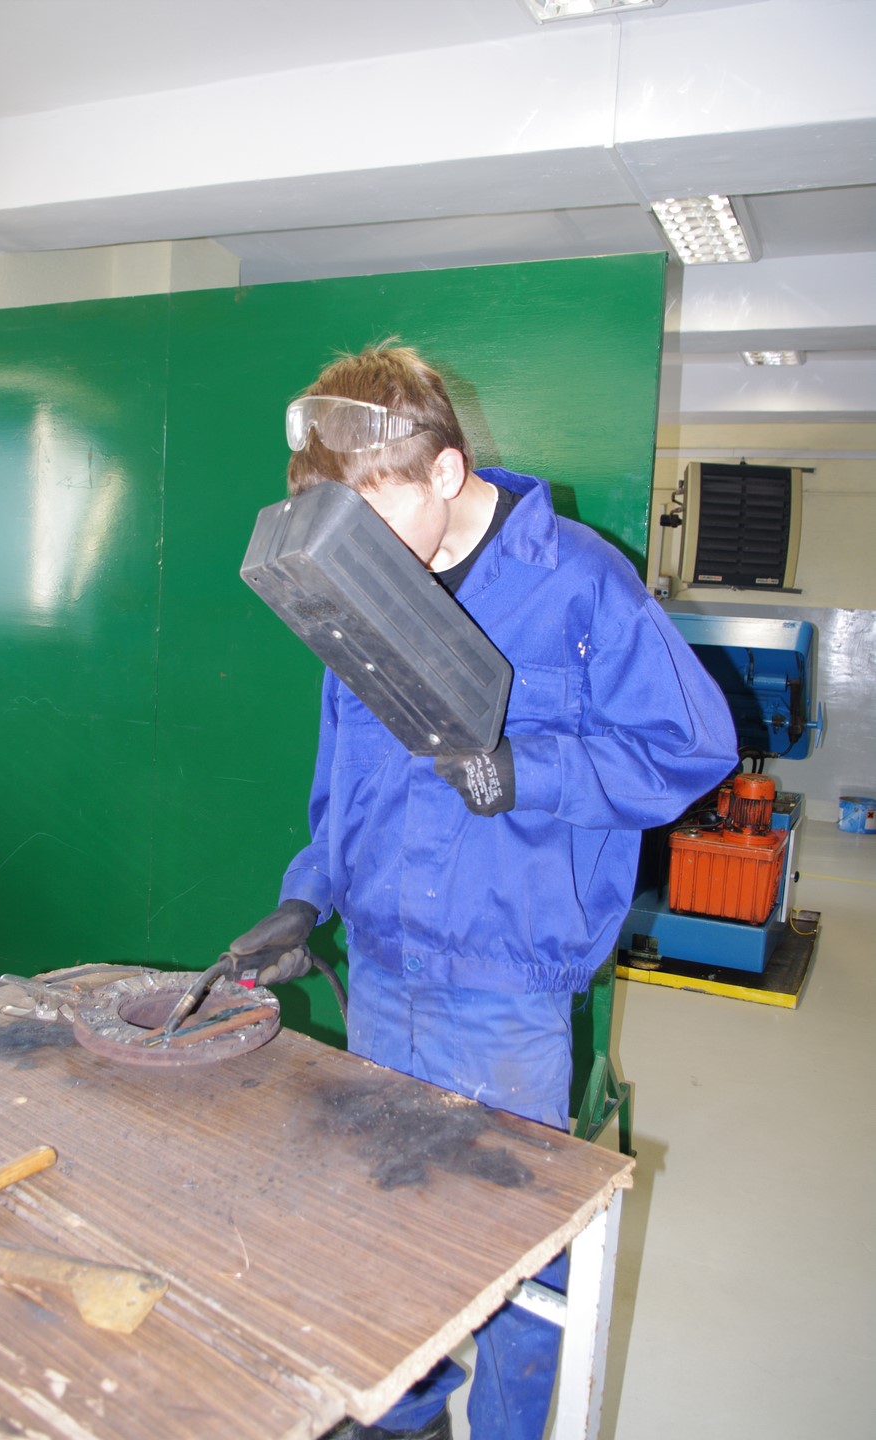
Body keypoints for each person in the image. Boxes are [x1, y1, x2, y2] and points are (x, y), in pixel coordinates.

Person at [228, 341, 738, 1440]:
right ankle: (399, 1418)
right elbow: (347, 772)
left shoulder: (578, 582)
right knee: (381, 1216)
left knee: (516, 1252)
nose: (353, 553)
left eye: (370, 520)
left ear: (446, 473)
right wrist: (309, 895)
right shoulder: (365, 585)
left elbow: (691, 747)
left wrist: (530, 771)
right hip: (383, 969)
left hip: (505, 987)